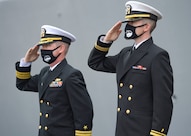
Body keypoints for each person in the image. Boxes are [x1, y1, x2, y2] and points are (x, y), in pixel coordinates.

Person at [88, 1, 173, 136]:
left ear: (146, 27)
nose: (128, 26)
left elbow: (162, 100)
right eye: (128, 22)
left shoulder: (157, 56)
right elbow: (95, 63)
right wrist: (106, 41)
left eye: (133, 22)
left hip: (142, 131)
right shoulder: (125, 53)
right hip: (123, 129)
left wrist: (157, 133)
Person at [15, 25, 93, 136]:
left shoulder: (71, 75)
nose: (43, 50)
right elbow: (23, 84)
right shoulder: (45, 73)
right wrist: (26, 62)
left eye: (47, 45)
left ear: (61, 48)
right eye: (42, 46)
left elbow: (83, 111)